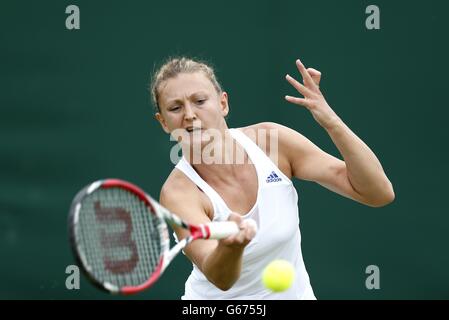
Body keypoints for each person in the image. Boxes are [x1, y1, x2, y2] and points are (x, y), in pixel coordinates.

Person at [150, 56, 395, 299]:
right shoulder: (179, 193)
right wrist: (231, 246)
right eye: (175, 108)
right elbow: (220, 278)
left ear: (223, 104)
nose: (190, 115)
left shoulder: (272, 142)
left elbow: (377, 193)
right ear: (163, 122)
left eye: (200, 101)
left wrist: (331, 122)